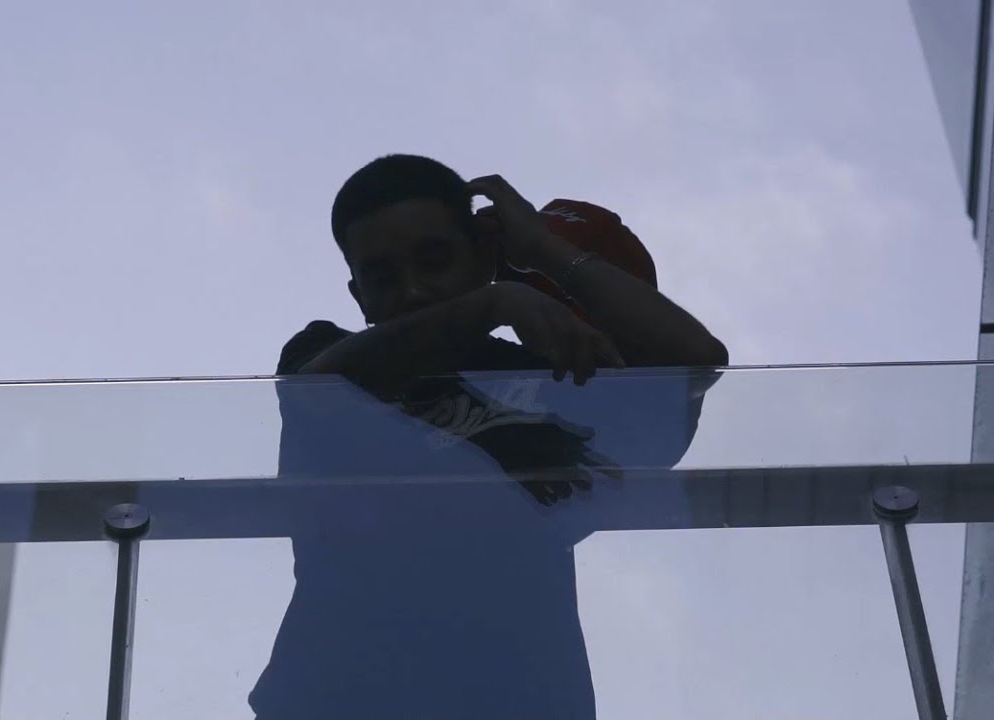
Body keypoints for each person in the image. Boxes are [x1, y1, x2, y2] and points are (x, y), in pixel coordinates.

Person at [249, 154, 727, 719]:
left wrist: (543, 251)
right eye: (383, 278)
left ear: (482, 258)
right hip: (337, 702)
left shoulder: (550, 382)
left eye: (435, 261)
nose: (413, 290)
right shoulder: (325, 354)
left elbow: (693, 362)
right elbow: (316, 389)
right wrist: (496, 302)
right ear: (359, 297)